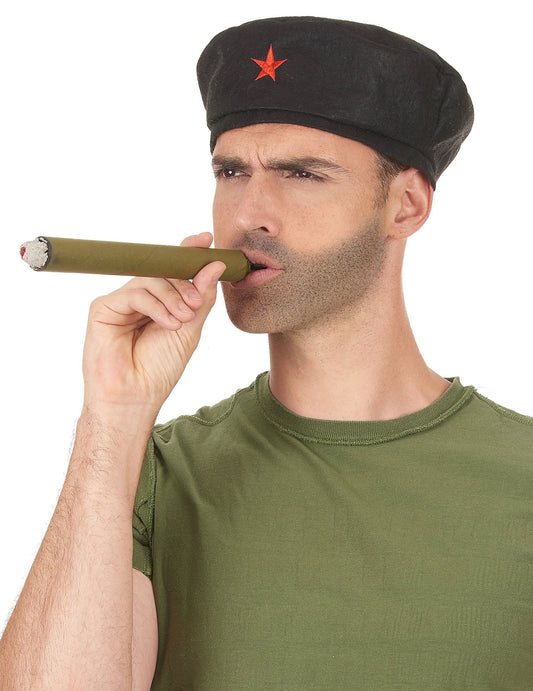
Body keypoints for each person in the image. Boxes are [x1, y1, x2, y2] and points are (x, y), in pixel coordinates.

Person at [1, 16, 532, 690]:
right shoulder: (149, 473)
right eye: (230, 171)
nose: (249, 213)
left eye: (301, 173)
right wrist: (112, 420)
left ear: (404, 206)